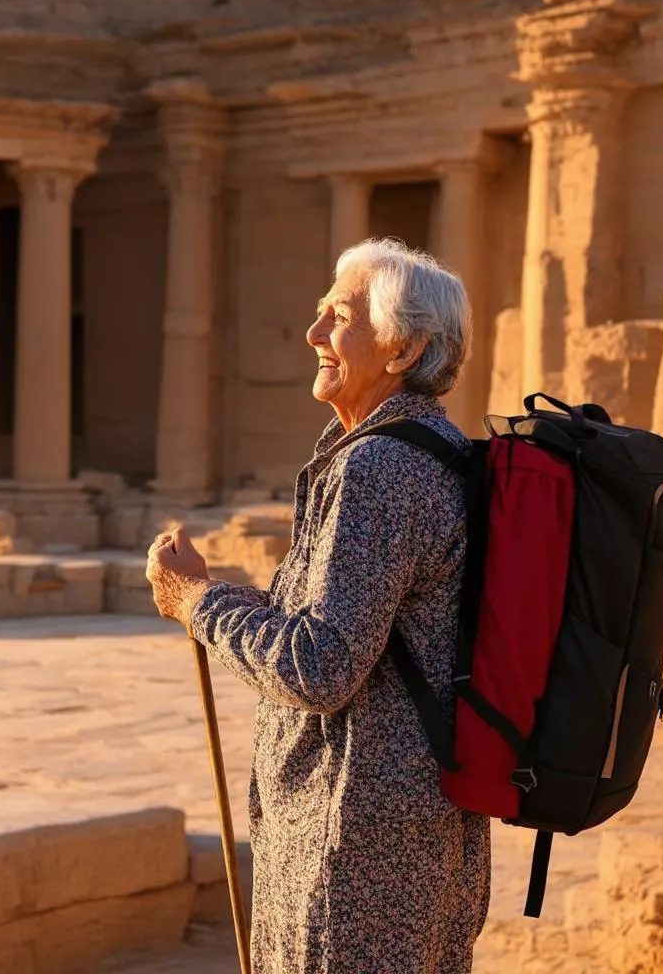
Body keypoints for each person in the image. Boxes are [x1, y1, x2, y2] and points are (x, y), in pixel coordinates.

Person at [146, 237, 491, 973]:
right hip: (404, 834)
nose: (313, 336)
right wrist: (219, 595)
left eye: (339, 316)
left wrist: (198, 604)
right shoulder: (412, 451)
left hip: (358, 844)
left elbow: (318, 666)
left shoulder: (382, 466)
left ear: (405, 349)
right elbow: (335, 626)